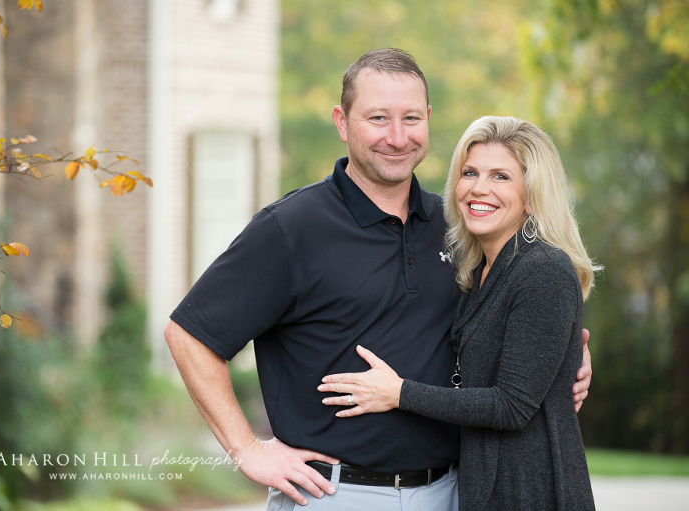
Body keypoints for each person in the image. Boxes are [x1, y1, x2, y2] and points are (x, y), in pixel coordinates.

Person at [164, 49, 592, 511]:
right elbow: (189, 336)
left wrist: (566, 357)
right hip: (334, 494)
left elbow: (506, 321)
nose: (397, 137)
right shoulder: (290, 229)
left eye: (411, 118)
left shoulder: (456, 227)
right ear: (342, 122)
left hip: (451, 493)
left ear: (428, 120)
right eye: (378, 118)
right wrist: (246, 449)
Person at [319, 115, 598, 510]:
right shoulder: (477, 267)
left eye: (501, 176)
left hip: (531, 491)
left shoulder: (543, 270)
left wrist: (398, 393)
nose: (479, 188)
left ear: (532, 194)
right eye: (470, 173)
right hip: (483, 486)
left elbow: (512, 406)